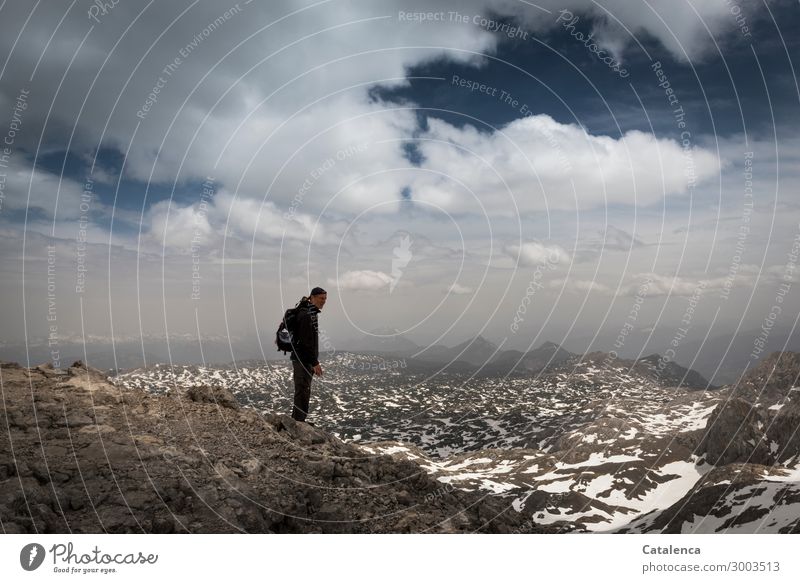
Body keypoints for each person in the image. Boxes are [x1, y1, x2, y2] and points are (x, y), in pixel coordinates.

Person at [290, 286, 327, 422]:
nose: (323, 301)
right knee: (302, 391)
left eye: (325, 299)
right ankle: (298, 423)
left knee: (303, 391)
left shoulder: (309, 312)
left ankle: (298, 421)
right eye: (321, 298)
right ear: (312, 297)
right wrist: (315, 362)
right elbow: (306, 342)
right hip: (302, 360)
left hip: (303, 359)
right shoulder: (306, 315)